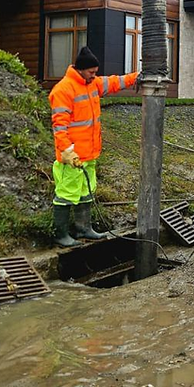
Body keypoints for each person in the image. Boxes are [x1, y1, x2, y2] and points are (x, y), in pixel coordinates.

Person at [49, 46, 139, 247]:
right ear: (81, 69)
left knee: (85, 192)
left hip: (89, 154)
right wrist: (66, 152)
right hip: (72, 156)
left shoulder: (92, 84)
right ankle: (60, 234)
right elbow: (59, 126)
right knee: (66, 194)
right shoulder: (64, 90)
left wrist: (137, 77)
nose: (94, 75)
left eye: (95, 72)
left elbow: (115, 82)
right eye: (91, 72)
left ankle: (84, 229)